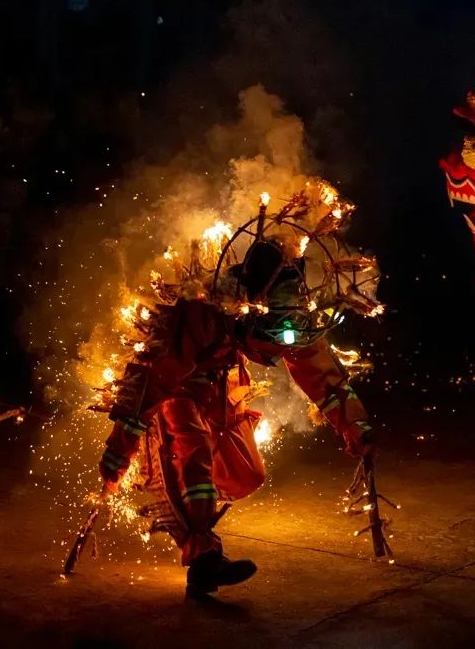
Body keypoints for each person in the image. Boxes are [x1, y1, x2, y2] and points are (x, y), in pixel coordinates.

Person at [98, 238, 374, 597]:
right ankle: (203, 559)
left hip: (223, 388)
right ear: (251, 303)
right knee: (191, 453)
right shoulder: (202, 311)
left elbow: (320, 372)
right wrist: (121, 447)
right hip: (179, 388)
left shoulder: (291, 311)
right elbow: (156, 378)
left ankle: (199, 530)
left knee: (247, 472)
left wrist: (355, 425)